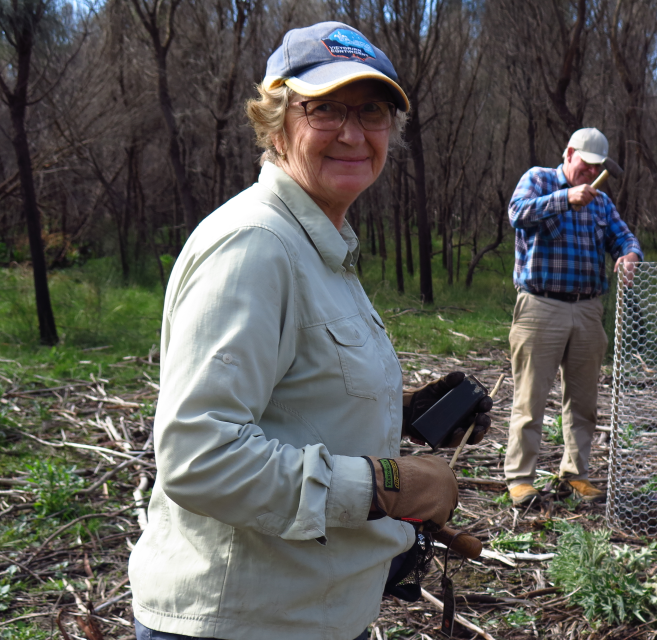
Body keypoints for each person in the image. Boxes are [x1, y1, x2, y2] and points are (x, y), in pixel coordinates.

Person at [128, 22, 490, 640]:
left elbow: (285, 399)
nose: (353, 134)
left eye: (372, 112)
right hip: (240, 622)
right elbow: (197, 457)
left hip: (306, 613)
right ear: (277, 122)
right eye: (324, 110)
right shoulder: (256, 244)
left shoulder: (318, 243)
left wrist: (402, 414)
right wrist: (388, 486)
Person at [504, 128, 642, 506]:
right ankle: (520, 481)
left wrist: (629, 255)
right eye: (586, 165)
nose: (590, 173)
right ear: (569, 154)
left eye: (598, 167)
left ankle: (574, 476)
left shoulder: (601, 202)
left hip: (587, 308)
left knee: (583, 402)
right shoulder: (538, 180)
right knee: (530, 399)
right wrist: (565, 199)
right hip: (540, 305)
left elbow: (625, 238)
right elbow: (517, 214)